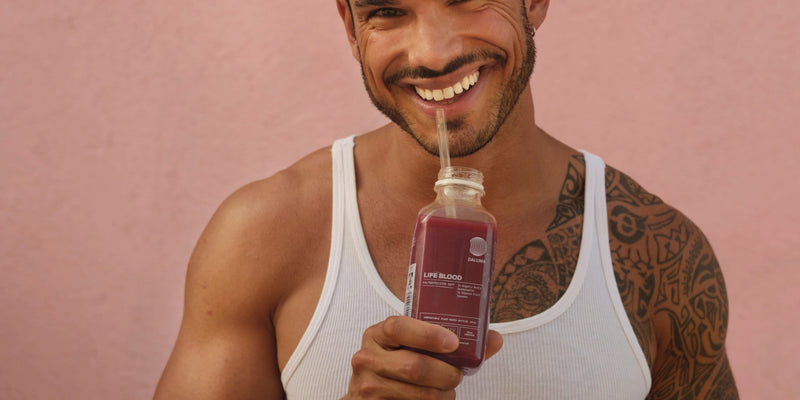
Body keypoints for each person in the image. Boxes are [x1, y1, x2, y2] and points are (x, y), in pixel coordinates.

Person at [154, 0, 738, 398]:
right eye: (388, 9)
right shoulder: (264, 234)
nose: (432, 53)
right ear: (349, 23)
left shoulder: (659, 256)